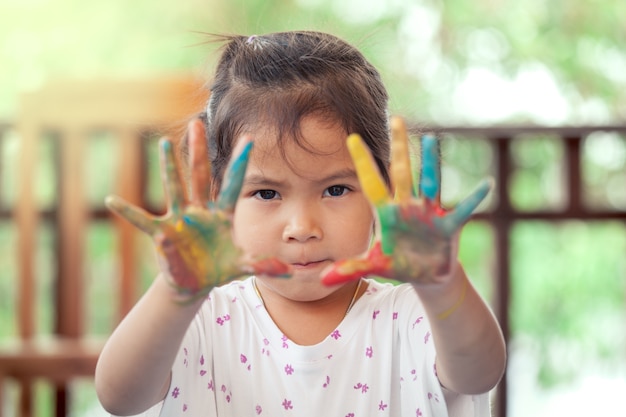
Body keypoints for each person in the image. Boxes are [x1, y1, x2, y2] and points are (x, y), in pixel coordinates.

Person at [95, 31, 506, 417]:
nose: (303, 227)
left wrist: (442, 285)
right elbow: (119, 397)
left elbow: (480, 372)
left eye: (336, 190)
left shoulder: (413, 315)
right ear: (220, 197)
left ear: (384, 188)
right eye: (267, 194)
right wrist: (175, 291)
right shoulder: (198, 319)